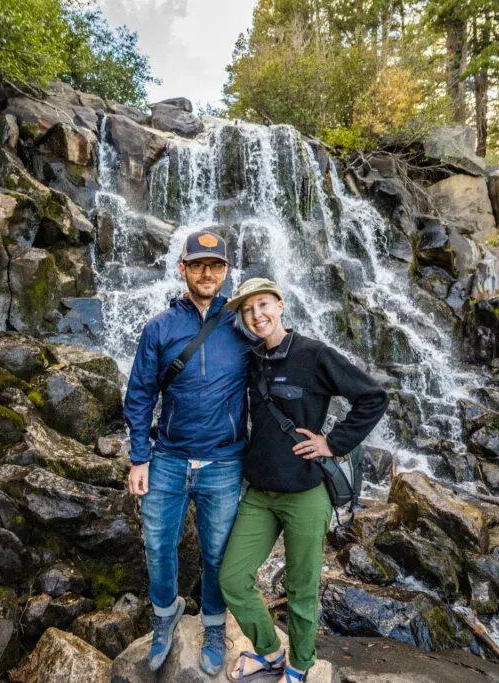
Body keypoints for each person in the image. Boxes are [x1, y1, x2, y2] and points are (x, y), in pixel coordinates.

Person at [219, 277, 388, 683]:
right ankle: (271, 653)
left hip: (306, 494)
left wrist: (334, 443)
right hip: (259, 493)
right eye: (248, 309)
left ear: (279, 305)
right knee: (232, 579)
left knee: (301, 588)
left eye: (263, 305)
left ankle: (299, 666)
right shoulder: (253, 358)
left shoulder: (314, 355)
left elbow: (373, 397)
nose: (256, 315)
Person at [123, 229, 251, 674]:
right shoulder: (159, 326)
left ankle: (215, 623)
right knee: (158, 545)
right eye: (198, 265)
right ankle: (165, 614)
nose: (207, 273)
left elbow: (275, 380)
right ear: (183, 269)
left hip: (224, 460)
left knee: (218, 552)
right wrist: (140, 457)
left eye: (215, 265)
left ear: (226, 272)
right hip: (168, 457)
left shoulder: (242, 324)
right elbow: (139, 395)